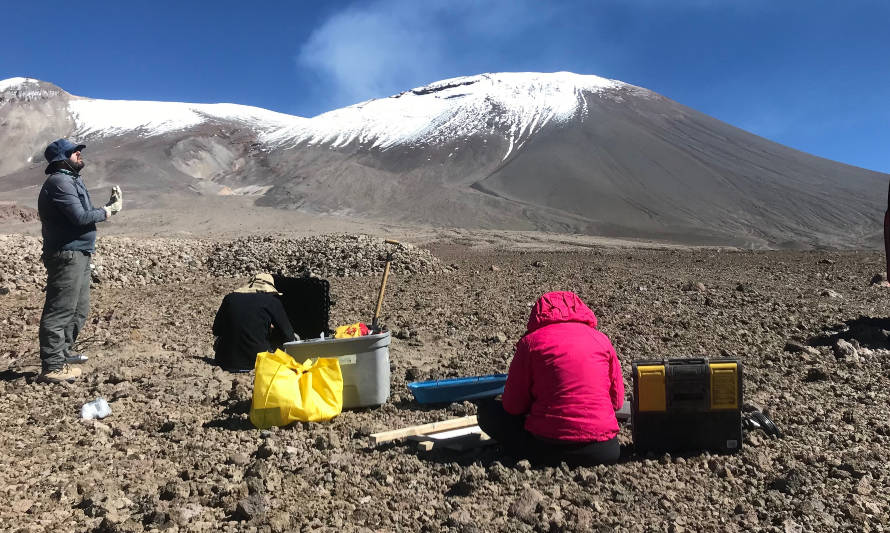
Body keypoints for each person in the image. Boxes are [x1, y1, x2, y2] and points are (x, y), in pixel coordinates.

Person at [477, 291, 625, 466]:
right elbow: (617, 402)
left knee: (487, 412)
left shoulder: (530, 343)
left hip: (547, 450)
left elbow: (513, 406)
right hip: (604, 451)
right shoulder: (601, 340)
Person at [37, 139, 123, 383]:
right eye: (74, 152)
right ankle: (52, 365)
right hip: (67, 253)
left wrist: (105, 208)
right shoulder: (60, 182)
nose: (79, 154)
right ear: (61, 158)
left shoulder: (70, 180)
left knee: (79, 308)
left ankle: (63, 353)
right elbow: (79, 217)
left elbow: (83, 214)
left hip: (79, 253)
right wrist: (109, 211)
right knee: (60, 309)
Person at [212, 273, 296, 372]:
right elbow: (288, 334)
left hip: (224, 362)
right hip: (258, 363)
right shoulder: (272, 301)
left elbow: (216, 330)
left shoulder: (230, 298)